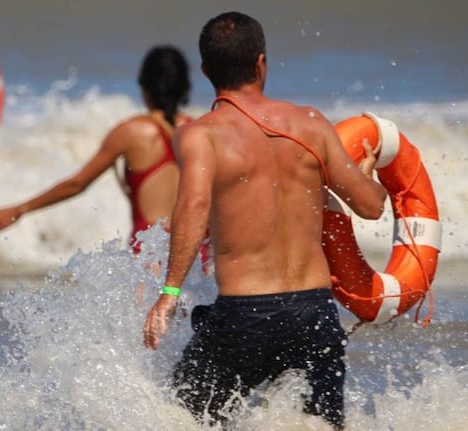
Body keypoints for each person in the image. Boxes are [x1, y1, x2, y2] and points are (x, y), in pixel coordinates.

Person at [142, 12, 387, 430]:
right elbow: (370, 206)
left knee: (179, 419)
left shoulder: (201, 134)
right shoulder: (311, 122)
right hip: (315, 312)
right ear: (261, 63)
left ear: (205, 71)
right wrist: (366, 178)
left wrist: (169, 292)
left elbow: (194, 204)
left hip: (245, 315)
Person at [0, 45, 193, 255]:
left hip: (151, 252)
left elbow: (77, 184)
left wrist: (20, 209)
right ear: (184, 87)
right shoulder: (198, 130)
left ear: (144, 86)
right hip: (194, 251)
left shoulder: (130, 132)